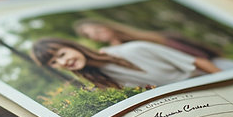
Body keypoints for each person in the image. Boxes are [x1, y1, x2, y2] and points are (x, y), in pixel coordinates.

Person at [30, 37, 220, 89]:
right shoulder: (98, 80)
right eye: (55, 62)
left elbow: (200, 62)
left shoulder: (134, 50)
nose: (64, 61)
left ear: (74, 46)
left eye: (62, 53)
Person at [73, 18, 233, 71]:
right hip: (191, 73)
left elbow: (187, 47)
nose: (95, 35)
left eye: (95, 29)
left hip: (210, 63)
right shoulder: (112, 51)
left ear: (104, 25)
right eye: (89, 35)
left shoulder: (145, 36)